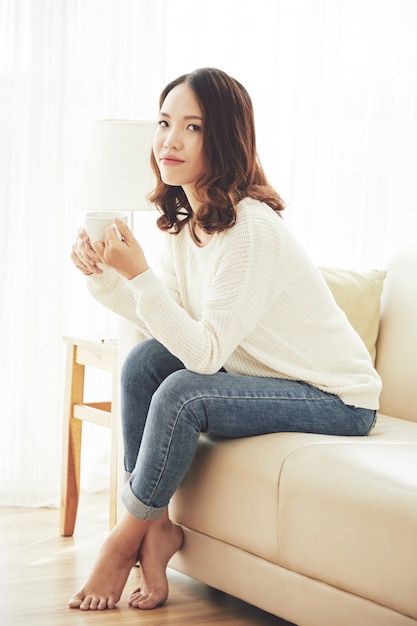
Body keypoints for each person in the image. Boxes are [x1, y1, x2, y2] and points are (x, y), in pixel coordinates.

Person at [69, 67, 381, 611]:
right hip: (271, 378)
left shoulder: (251, 228)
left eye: (193, 127)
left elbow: (205, 355)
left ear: (226, 138)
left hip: (337, 397)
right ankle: (157, 529)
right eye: (165, 122)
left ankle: (124, 540)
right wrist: (104, 275)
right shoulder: (189, 221)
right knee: (144, 362)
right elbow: (166, 326)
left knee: (183, 392)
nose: (170, 140)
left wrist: (138, 274)